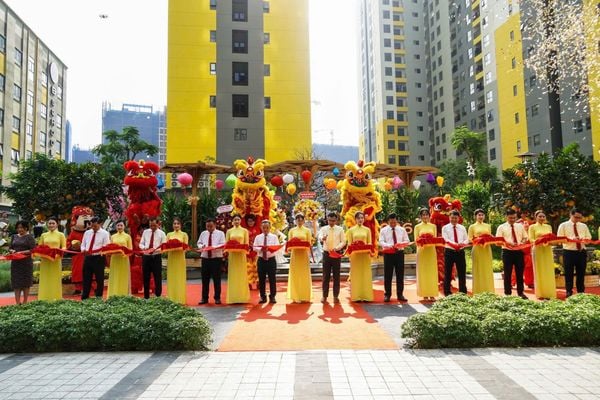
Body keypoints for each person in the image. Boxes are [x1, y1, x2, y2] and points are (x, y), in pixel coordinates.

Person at [557, 208, 591, 297]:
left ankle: (581, 291)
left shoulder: (583, 226)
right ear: (570, 215)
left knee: (581, 273)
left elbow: (589, 237)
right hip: (569, 252)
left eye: (580, 218)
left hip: (581, 252)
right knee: (569, 273)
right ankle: (569, 291)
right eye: (576, 217)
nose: (578, 219)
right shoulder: (563, 225)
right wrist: (572, 239)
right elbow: (559, 240)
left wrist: (584, 240)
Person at [496, 209, 529, 299]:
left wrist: (521, 243)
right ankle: (507, 293)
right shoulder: (501, 227)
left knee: (520, 273)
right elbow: (497, 242)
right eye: (510, 218)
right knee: (507, 273)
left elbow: (525, 237)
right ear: (506, 217)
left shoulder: (520, 226)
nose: (512, 219)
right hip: (507, 252)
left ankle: (521, 293)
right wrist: (508, 243)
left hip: (518, 251)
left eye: (514, 218)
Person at [378, 213, 410, 302]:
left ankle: (400, 294)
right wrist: (389, 245)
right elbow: (381, 241)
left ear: (396, 221)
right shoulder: (383, 230)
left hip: (399, 253)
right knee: (388, 274)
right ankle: (387, 294)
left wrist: (400, 244)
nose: (393, 224)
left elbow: (407, 240)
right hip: (388, 253)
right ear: (388, 221)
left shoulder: (402, 230)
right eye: (391, 222)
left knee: (400, 274)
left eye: (394, 222)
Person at [317, 212, 346, 304]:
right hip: (326, 254)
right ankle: (324, 296)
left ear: (336, 220)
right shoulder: (323, 229)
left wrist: (337, 248)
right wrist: (322, 238)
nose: (331, 222)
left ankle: (335, 296)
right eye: (329, 220)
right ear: (327, 220)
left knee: (336, 276)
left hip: (336, 253)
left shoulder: (340, 229)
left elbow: (343, 241)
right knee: (326, 275)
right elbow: (320, 236)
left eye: (333, 221)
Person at [528, 210, 556, 300]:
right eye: (540, 216)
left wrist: (550, 242)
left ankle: (549, 292)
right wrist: (539, 241)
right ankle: (541, 293)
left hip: (547, 249)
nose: (542, 218)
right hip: (538, 249)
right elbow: (531, 239)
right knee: (539, 270)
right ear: (536, 217)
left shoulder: (548, 226)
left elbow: (551, 238)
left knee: (548, 270)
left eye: (543, 216)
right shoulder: (532, 227)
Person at [80, 217, 110, 299]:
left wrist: (101, 251)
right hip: (88, 257)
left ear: (100, 224)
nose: (93, 227)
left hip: (98, 258)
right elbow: (83, 244)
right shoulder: (87, 233)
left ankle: (99, 297)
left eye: (95, 226)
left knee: (99, 279)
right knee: (86, 278)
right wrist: (83, 250)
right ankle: (85, 297)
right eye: (92, 226)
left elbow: (106, 246)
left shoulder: (105, 233)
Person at [197, 218, 226, 304]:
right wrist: (202, 246)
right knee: (205, 279)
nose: (209, 228)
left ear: (215, 225)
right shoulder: (203, 233)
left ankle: (217, 297)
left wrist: (214, 247)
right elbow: (199, 243)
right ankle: (204, 298)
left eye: (211, 226)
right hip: (205, 258)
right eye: (207, 226)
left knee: (217, 279)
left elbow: (223, 244)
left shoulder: (220, 233)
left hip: (216, 258)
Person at [346, 211, 373, 302]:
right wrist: (352, 251)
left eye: (362, 218)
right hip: (355, 256)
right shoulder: (351, 230)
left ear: (364, 219)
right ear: (355, 219)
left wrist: (367, 249)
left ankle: (366, 296)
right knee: (356, 275)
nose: (360, 220)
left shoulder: (367, 230)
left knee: (365, 274)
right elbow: (349, 244)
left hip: (365, 255)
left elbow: (369, 243)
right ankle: (356, 296)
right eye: (358, 218)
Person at [37, 217, 66, 301]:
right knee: (45, 278)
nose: (51, 225)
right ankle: (43, 297)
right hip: (45, 260)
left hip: (56, 259)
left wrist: (59, 252)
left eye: (53, 223)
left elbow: (64, 247)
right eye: (49, 223)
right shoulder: (43, 235)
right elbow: (39, 247)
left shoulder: (61, 235)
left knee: (55, 278)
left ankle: (56, 297)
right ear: (47, 224)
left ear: (57, 224)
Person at [441, 211, 468, 296]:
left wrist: (462, 244)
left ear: (458, 218)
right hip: (449, 251)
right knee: (447, 272)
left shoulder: (462, 228)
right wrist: (455, 245)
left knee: (462, 272)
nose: (454, 219)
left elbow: (466, 239)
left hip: (460, 251)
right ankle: (447, 292)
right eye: (452, 218)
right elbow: (446, 239)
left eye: (456, 218)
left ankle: (463, 292)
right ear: (449, 218)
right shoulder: (445, 228)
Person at [287, 213, 313, 303]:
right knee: (295, 274)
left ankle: (305, 295)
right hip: (295, 255)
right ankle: (296, 296)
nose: (299, 221)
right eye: (298, 220)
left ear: (304, 221)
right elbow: (289, 243)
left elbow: (309, 243)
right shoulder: (291, 230)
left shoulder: (307, 231)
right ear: (295, 221)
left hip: (304, 255)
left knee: (304, 274)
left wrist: (303, 244)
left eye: (301, 220)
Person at [467, 209, 495, 294]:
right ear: (475, 216)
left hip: (486, 249)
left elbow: (490, 236)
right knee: (478, 269)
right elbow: (469, 239)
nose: (481, 216)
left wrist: (491, 238)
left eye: (482, 215)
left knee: (487, 269)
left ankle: (489, 290)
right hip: (477, 249)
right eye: (479, 215)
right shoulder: (472, 227)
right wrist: (479, 240)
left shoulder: (488, 226)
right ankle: (478, 291)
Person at [9, 220, 36, 304]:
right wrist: (12, 251)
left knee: (26, 282)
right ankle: (17, 302)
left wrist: (21, 252)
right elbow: (10, 248)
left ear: (26, 228)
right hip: (15, 263)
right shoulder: (14, 236)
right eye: (18, 228)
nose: (19, 229)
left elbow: (33, 250)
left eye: (21, 228)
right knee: (16, 282)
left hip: (26, 263)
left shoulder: (29, 237)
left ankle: (25, 302)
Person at [139, 218, 167, 299]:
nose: (152, 227)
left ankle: (158, 296)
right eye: (151, 225)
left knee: (157, 277)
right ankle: (146, 297)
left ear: (158, 224)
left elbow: (164, 246)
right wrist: (144, 248)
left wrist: (155, 249)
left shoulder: (162, 233)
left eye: (154, 225)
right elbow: (141, 244)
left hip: (156, 257)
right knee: (146, 277)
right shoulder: (145, 232)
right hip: (146, 257)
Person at [414, 208, 438, 301]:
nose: (425, 216)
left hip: (431, 251)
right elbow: (416, 240)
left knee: (432, 271)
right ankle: (424, 293)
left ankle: (432, 293)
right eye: (423, 215)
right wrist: (423, 240)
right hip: (422, 251)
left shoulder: (433, 226)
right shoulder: (417, 227)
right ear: (420, 216)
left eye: (426, 214)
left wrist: (429, 240)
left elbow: (435, 239)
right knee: (423, 271)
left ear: (429, 215)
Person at [253, 219, 279, 303]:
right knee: (261, 279)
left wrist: (269, 249)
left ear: (270, 228)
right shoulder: (258, 237)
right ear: (261, 227)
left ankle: (272, 296)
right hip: (261, 260)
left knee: (272, 279)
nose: (265, 229)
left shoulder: (274, 237)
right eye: (264, 228)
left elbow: (277, 247)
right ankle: (262, 296)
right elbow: (254, 247)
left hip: (271, 259)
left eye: (267, 227)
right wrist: (261, 249)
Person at [226, 215, 250, 304]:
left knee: (241, 275)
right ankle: (233, 298)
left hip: (241, 256)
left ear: (240, 221)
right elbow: (226, 244)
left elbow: (246, 244)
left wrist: (242, 249)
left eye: (238, 219)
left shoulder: (244, 231)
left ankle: (242, 297)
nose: (236, 221)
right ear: (232, 221)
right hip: (232, 256)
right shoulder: (229, 231)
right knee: (233, 275)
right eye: (235, 219)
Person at [166, 217, 189, 304]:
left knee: (180, 278)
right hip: (171, 258)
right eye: (174, 223)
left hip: (180, 259)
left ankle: (180, 299)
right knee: (172, 278)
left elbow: (186, 248)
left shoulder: (184, 235)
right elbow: (166, 247)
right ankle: (171, 298)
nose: (176, 225)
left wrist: (178, 247)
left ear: (180, 225)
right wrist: (171, 247)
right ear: (172, 225)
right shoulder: (169, 234)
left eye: (178, 224)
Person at [107, 220, 132, 297]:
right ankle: (113, 294)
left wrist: (124, 253)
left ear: (124, 226)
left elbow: (130, 250)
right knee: (114, 276)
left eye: (121, 225)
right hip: (114, 259)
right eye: (118, 225)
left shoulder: (127, 237)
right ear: (116, 226)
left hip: (123, 259)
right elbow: (110, 248)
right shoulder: (113, 236)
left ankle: (124, 294)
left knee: (123, 276)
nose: (119, 227)